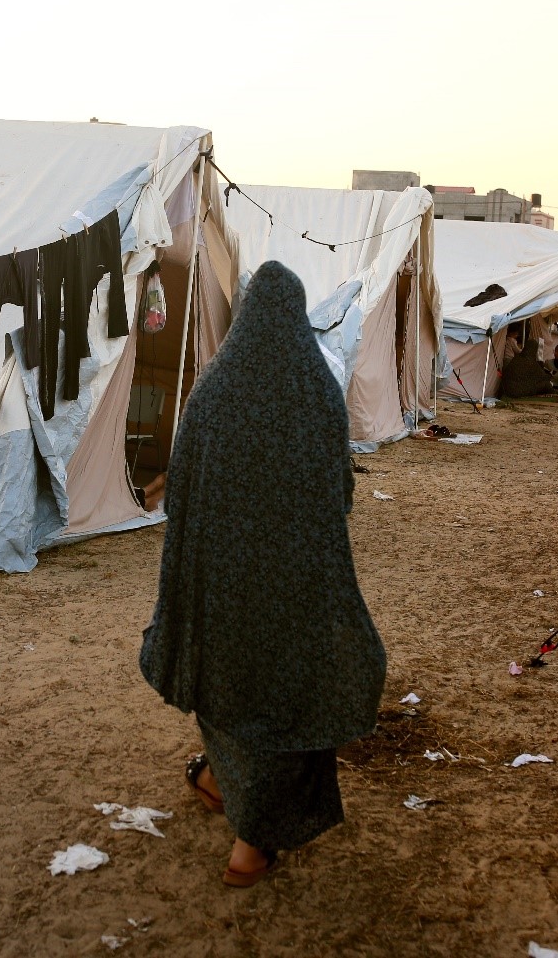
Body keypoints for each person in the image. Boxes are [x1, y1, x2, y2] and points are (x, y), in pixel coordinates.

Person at [139, 261, 386, 888]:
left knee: (228, 692)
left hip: (223, 591)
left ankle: (222, 783)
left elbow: (183, 495)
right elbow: (340, 494)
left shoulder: (212, 392)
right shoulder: (317, 394)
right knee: (288, 708)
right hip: (299, 591)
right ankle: (247, 845)